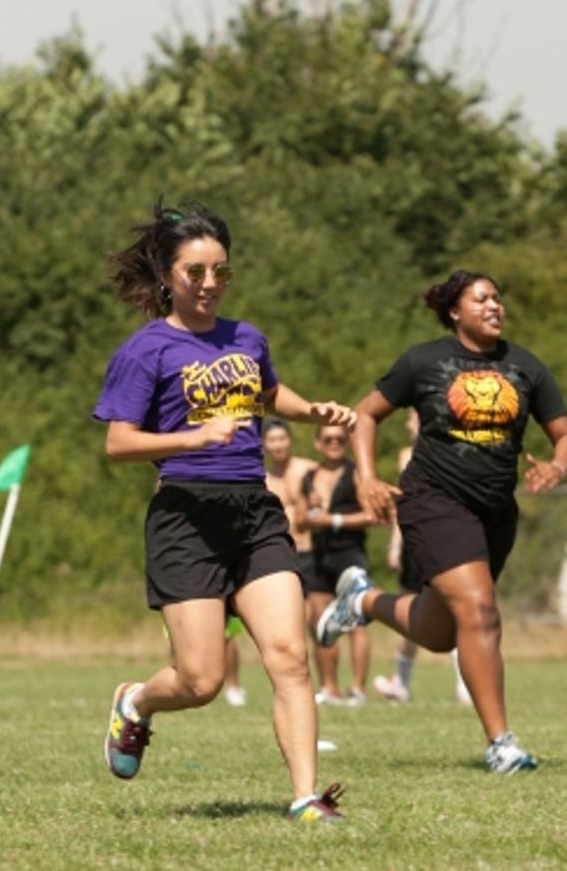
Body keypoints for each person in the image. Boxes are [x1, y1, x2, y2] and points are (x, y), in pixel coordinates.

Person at [94, 198, 354, 822]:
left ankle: (305, 799)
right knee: (202, 681)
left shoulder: (247, 337)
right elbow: (118, 443)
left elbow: (268, 392)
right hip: (185, 515)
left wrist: (310, 409)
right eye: (195, 273)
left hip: (255, 512)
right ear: (167, 275)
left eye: (221, 273)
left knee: (289, 656)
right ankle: (135, 704)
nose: (209, 284)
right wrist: (192, 437)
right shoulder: (145, 350)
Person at [316, 269, 567, 774]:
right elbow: (365, 414)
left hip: (496, 511)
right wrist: (368, 478)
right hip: (433, 499)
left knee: (443, 634)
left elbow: (566, 434)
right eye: (480, 299)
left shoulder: (526, 366)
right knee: (481, 612)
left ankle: (363, 600)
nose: (493, 306)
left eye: (498, 298)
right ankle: (501, 743)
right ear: (454, 312)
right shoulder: (424, 360)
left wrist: (557, 465)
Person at [372, 409, 473, 706]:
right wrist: (394, 545)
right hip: (413, 544)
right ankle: (401, 682)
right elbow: (402, 506)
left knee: (457, 610)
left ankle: (465, 683)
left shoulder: (450, 451)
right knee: (412, 611)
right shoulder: (406, 455)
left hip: (443, 540)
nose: (407, 424)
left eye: (412, 418)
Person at [294, 424, 377, 706]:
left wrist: (335, 520)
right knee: (319, 621)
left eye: (340, 439)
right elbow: (300, 521)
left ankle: (358, 689)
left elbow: (373, 515)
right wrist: (313, 513)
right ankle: (330, 688)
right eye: (328, 438)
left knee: (355, 621)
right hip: (318, 555)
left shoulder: (357, 474)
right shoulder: (309, 477)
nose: (334, 443)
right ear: (318, 443)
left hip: (350, 553)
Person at [258, 418, 318, 706]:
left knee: (319, 624)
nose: (279, 445)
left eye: (283, 439)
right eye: (273, 440)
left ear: (290, 441)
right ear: (264, 445)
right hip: (281, 557)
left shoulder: (307, 470)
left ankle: (329, 686)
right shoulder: (260, 478)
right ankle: (296, 689)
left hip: (312, 552)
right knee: (292, 631)